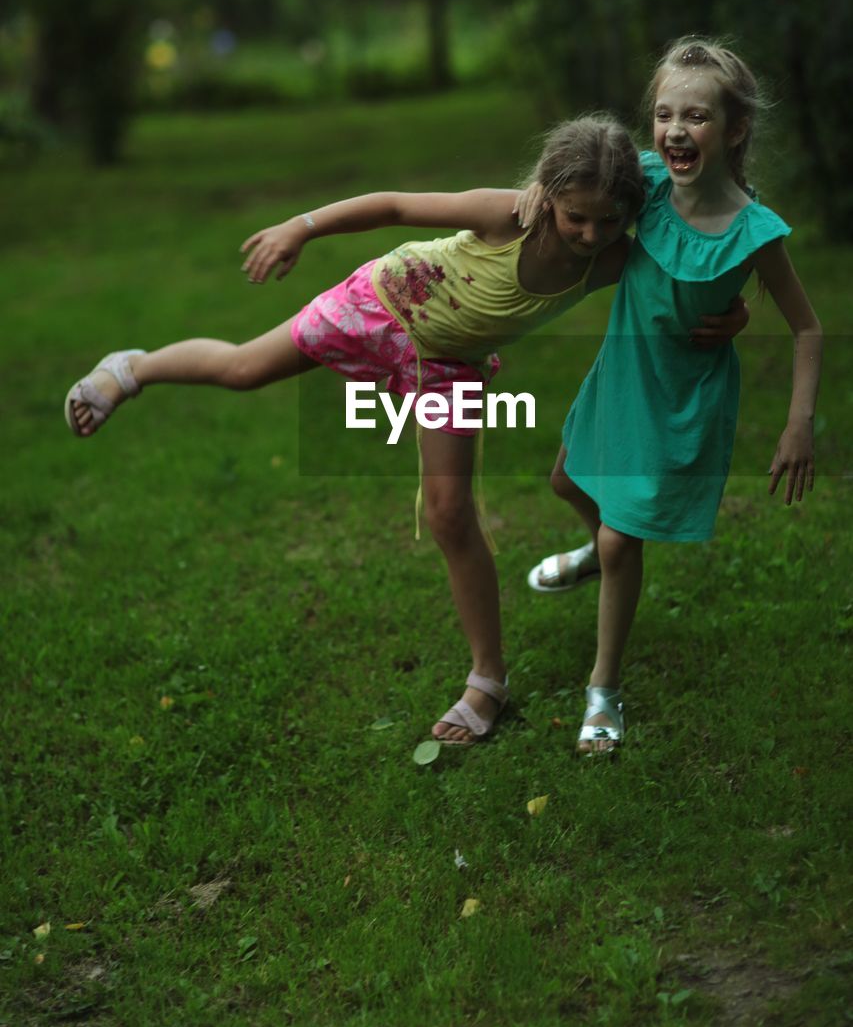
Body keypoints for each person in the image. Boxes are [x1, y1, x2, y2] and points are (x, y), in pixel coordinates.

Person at [64, 115, 744, 746]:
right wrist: (301, 226)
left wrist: (731, 313)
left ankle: (487, 682)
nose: (591, 234)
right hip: (380, 303)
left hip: (447, 365)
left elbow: (689, 277)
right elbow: (392, 205)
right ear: (546, 194)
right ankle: (133, 369)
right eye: (577, 218)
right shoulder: (506, 214)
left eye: (608, 221)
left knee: (449, 515)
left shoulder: (614, 258)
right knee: (245, 368)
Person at [521, 40, 823, 756]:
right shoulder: (645, 185)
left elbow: (807, 328)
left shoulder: (755, 232)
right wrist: (538, 185)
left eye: (696, 116)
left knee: (625, 535)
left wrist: (796, 425)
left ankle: (602, 689)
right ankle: (599, 549)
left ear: (735, 129)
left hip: (681, 399)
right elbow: (579, 178)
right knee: (565, 477)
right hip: (622, 376)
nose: (675, 130)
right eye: (663, 115)